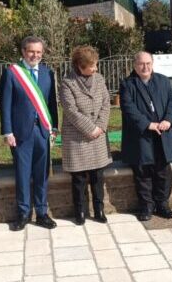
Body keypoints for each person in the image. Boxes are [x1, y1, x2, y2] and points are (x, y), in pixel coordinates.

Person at [0, 36, 59, 231]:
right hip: (21, 132)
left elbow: (51, 103)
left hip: (42, 130)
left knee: (42, 174)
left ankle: (42, 212)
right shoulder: (12, 73)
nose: (35, 55)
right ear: (24, 52)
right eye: (31, 51)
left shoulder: (47, 73)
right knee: (23, 174)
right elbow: (5, 104)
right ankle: (23, 213)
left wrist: (55, 127)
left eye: (39, 52)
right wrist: (7, 131)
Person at [120, 51, 172, 222]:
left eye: (148, 63)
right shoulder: (127, 84)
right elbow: (128, 108)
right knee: (143, 173)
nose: (145, 67)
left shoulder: (163, 80)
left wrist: (168, 119)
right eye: (141, 64)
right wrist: (147, 124)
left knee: (163, 172)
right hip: (141, 136)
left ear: (152, 64)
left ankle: (162, 204)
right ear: (134, 65)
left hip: (163, 134)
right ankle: (146, 206)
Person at [59, 46, 112, 225]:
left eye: (96, 65)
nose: (95, 69)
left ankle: (99, 209)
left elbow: (106, 103)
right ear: (80, 66)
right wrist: (90, 128)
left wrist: (100, 126)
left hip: (97, 137)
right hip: (77, 137)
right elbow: (71, 110)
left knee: (98, 177)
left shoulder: (99, 79)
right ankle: (80, 211)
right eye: (92, 66)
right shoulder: (67, 82)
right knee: (79, 178)